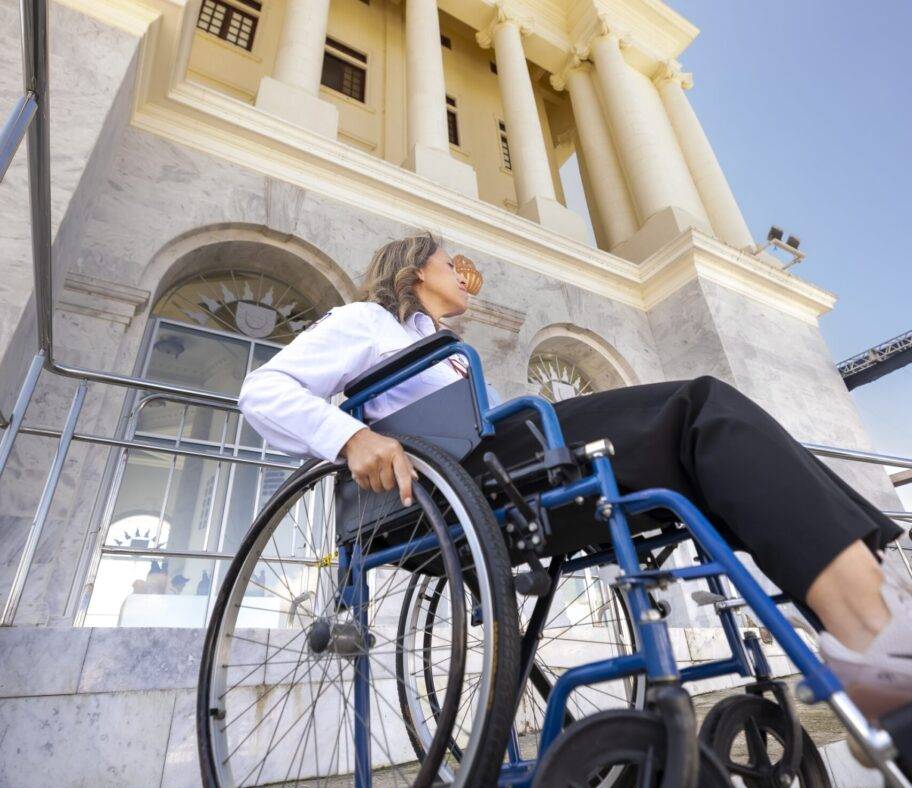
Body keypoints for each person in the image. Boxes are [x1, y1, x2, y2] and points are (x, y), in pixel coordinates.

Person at [238, 231, 912, 726]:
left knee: (711, 457)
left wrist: (457, 308)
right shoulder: (364, 323)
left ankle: (872, 602)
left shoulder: (439, 347)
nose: (466, 277)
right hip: (460, 488)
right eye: (451, 265)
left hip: (494, 470)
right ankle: (867, 634)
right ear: (416, 272)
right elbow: (262, 392)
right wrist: (349, 435)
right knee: (701, 410)